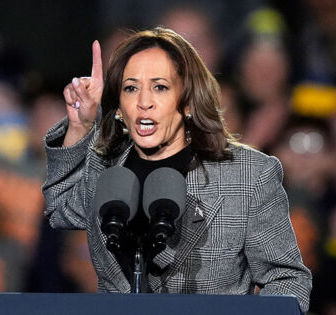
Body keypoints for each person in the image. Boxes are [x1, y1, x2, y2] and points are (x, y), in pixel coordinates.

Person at [42, 28, 312, 312]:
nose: (144, 102)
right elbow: (59, 210)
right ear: (119, 107)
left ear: (187, 101)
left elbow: (286, 278)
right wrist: (80, 126)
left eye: (160, 87)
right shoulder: (105, 168)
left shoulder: (248, 174)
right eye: (131, 88)